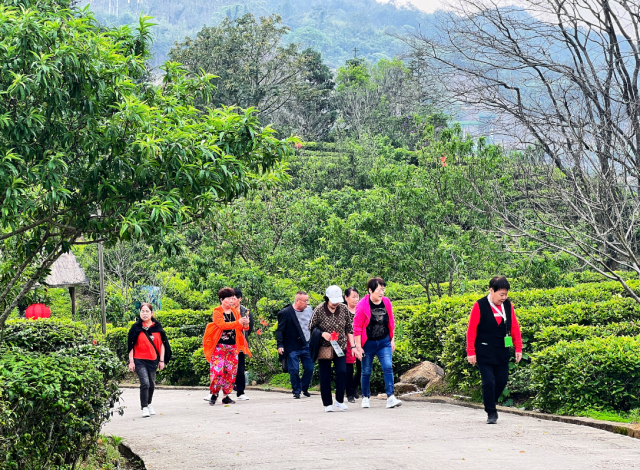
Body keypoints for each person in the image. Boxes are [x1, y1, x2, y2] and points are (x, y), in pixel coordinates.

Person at [466, 276, 522, 424]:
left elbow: (514, 327)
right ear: (491, 290)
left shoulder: (508, 305)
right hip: (484, 351)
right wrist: (470, 351)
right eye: (501, 294)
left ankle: (490, 401)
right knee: (489, 382)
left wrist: (518, 347)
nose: (504, 297)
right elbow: (471, 330)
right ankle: (491, 412)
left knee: (502, 381)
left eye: (506, 294)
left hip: (502, 351)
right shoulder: (480, 305)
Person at [353, 277, 402, 409]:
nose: (382, 292)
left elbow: (390, 322)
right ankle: (365, 397)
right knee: (366, 371)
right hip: (368, 343)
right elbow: (357, 327)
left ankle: (391, 397)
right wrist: (358, 347)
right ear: (370, 290)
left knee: (388, 367)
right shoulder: (362, 305)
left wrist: (392, 339)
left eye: (383, 289)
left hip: (384, 341)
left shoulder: (386, 302)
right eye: (379, 290)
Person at [309, 285, 354, 412]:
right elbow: (311, 327)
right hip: (325, 347)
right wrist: (322, 334)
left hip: (341, 347)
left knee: (342, 372)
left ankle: (339, 400)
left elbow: (349, 328)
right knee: (325, 375)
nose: (335, 304)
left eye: (337, 301)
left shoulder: (344, 309)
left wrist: (354, 346)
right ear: (327, 298)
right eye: (333, 301)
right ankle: (327, 403)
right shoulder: (319, 309)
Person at [202, 288, 251, 406]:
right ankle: (214, 394)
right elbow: (222, 325)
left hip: (232, 346)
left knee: (230, 372)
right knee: (217, 372)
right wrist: (238, 322)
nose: (231, 301)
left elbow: (241, 328)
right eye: (229, 298)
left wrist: (245, 323)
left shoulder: (234, 311)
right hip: (219, 346)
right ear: (221, 300)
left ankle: (226, 395)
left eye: (232, 298)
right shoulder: (217, 311)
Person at [127, 303, 172, 418]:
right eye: (142, 311)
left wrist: (161, 360)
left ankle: (149, 403)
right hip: (139, 359)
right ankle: (144, 407)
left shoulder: (157, 327)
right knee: (145, 383)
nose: (145, 313)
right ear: (139, 313)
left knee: (151, 384)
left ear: (152, 313)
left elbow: (162, 344)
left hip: (153, 360)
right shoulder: (135, 327)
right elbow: (130, 345)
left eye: (147, 311)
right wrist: (131, 361)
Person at [276, 291, 314, 399]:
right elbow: (280, 330)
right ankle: (296, 390)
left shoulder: (309, 310)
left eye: (308, 300)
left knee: (310, 368)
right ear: (297, 301)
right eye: (305, 301)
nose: (307, 303)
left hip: (306, 344)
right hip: (292, 345)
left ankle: (304, 387)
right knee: (294, 370)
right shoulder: (286, 312)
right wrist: (280, 345)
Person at [234, 288, 253, 401]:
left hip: (241, 344)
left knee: (240, 368)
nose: (232, 300)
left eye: (234, 298)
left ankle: (240, 392)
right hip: (228, 343)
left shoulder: (246, 311)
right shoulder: (226, 310)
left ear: (240, 298)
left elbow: (249, 329)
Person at [344, 287, 362, 403]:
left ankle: (354, 387)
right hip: (347, 343)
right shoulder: (342, 311)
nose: (356, 299)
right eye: (353, 297)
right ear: (346, 297)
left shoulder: (361, 309)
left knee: (362, 369)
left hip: (360, 341)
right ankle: (349, 393)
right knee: (348, 370)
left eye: (357, 296)